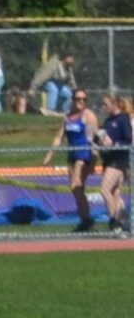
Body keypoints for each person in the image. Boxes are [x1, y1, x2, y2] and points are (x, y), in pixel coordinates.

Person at [45, 88, 101, 230]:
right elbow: (59, 137)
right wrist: (49, 155)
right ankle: (85, 220)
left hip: (84, 155)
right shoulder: (68, 117)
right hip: (72, 156)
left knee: (76, 185)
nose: (81, 102)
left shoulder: (88, 116)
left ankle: (87, 220)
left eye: (84, 99)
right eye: (78, 99)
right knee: (76, 190)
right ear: (73, 100)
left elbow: (95, 139)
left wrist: (94, 161)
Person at [99, 91, 131, 233]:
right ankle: (126, 221)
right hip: (109, 160)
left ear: (114, 104)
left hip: (119, 161)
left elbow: (128, 139)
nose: (103, 107)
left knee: (104, 189)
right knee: (115, 194)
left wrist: (114, 143)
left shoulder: (123, 119)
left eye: (105, 104)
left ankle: (115, 222)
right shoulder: (107, 121)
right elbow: (102, 139)